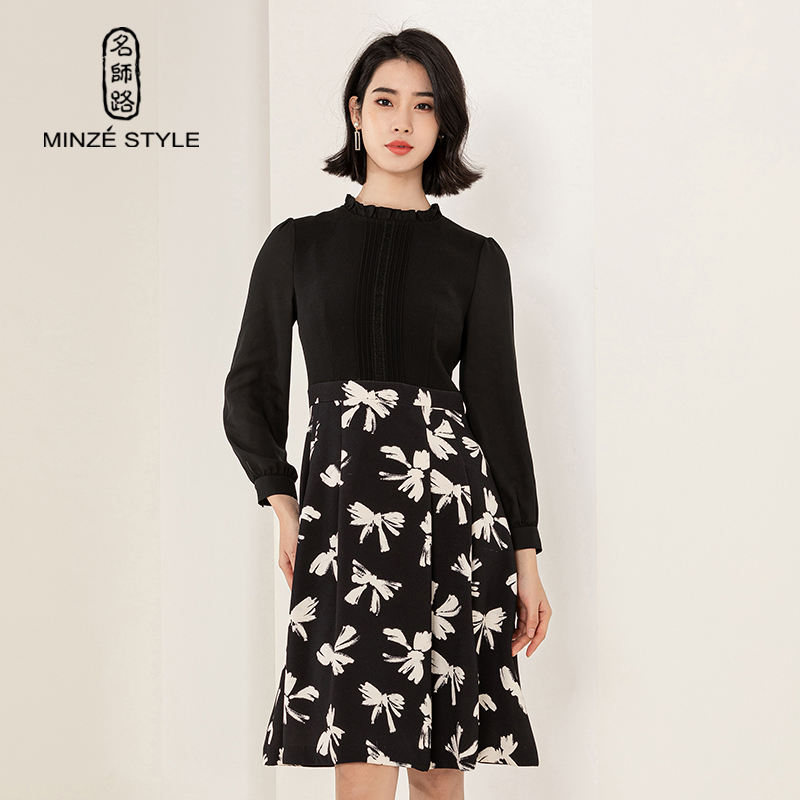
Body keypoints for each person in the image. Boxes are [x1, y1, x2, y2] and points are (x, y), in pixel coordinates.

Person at [222, 27, 552, 800]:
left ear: (444, 122)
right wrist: (285, 504)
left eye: (424, 105)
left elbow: (499, 415)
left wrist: (527, 559)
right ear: (356, 113)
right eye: (385, 101)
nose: (402, 121)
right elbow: (251, 388)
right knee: (362, 758)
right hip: (345, 524)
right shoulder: (297, 246)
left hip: (452, 521)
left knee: (439, 769)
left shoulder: (477, 259)